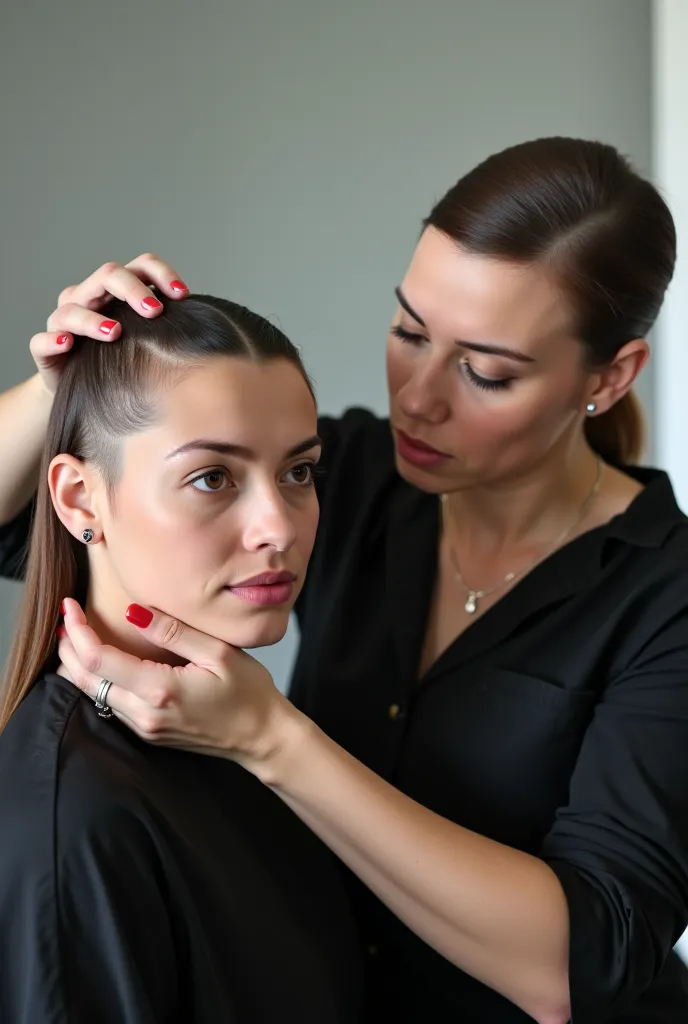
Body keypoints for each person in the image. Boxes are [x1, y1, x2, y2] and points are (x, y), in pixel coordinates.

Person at [2, 136, 688, 1022]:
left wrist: (273, 739)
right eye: (409, 331)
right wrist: (58, 376)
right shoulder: (345, 481)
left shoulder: (663, 596)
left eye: (485, 372)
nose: (419, 398)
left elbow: (584, 964)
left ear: (609, 377)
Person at [0, 296, 363, 1023]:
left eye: (298, 473)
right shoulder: (79, 823)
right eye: (213, 478)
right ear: (80, 501)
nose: (278, 529)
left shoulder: (231, 724)